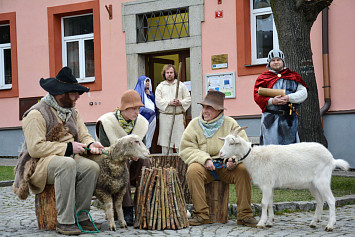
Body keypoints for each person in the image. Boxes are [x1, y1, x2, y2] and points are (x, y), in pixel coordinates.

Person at [13, 67, 104, 235]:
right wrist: (68, 148)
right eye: (75, 93)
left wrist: (91, 144)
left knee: (92, 168)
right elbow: (35, 148)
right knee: (66, 164)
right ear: (61, 93)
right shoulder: (36, 114)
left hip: (66, 158)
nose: (78, 96)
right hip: (39, 163)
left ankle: (81, 216)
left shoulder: (72, 112)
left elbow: (84, 135)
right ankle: (65, 222)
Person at [179, 90, 258, 227]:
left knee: (243, 170)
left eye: (209, 108)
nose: (205, 111)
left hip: (227, 168)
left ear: (219, 110)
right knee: (193, 170)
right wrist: (204, 159)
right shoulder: (194, 125)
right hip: (205, 167)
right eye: (203, 107)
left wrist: (233, 159)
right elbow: (186, 149)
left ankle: (245, 215)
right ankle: (201, 215)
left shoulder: (230, 124)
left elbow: (243, 146)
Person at [95, 90, 150, 226]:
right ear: (124, 108)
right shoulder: (107, 122)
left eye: (138, 108)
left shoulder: (141, 123)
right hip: (110, 172)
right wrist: (128, 155)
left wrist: (136, 154)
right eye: (133, 108)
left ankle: (143, 204)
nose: (137, 112)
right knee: (121, 161)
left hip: (133, 167)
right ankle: (127, 209)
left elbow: (143, 146)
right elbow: (107, 150)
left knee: (145, 161)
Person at [254, 49, 307, 145]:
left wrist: (289, 98)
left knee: (289, 149)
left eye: (278, 60)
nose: (276, 62)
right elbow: (257, 95)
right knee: (271, 150)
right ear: (269, 63)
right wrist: (271, 101)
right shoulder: (263, 78)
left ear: (283, 61)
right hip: (270, 119)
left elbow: (303, 93)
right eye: (273, 60)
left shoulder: (293, 76)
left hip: (288, 119)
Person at [155, 64, 191, 154]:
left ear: (174, 73)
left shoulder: (181, 85)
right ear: (164, 74)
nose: (169, 74)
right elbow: (158, 101)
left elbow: (188, 99)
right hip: (165, 117)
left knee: (180, 141)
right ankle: (167, 163)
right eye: (167, 72)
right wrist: (169, 102)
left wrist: (180, 102)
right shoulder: (160, 86)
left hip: (178, 117)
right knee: (166, 143)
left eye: (171, 72)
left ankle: (180, 162)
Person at [134, 76, 157, 150]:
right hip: (144, 118)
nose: (148, 83)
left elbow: (155, 105)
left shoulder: (149, 94)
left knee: (149, 135)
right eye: (146, 81)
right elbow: (138, 107)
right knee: (144, 135)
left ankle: (147, 149)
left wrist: (151, 95)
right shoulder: (137, 94)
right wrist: (148, 112)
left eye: (148, 81)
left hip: (152, 118)